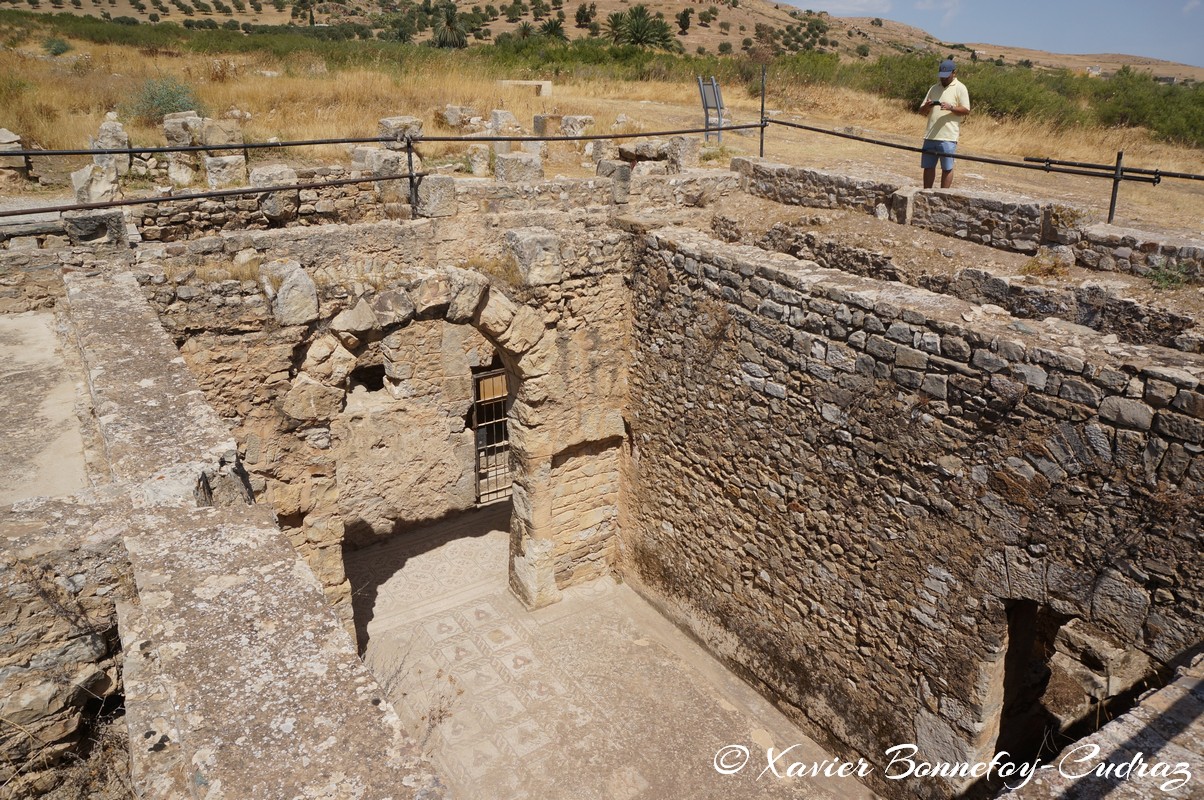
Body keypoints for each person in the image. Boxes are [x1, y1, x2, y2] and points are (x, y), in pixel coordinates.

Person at [919, 59, 971, 189]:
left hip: (948, 137)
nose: (943, 79)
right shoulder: (933, 88)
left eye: (946, 76)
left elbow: (966, 110)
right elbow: (921, 111)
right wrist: (927, 106)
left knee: (947, 168)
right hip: (930, 135)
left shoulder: (960, 88)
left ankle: (943, 195)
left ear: (954, 73)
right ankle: (926, 193)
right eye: (941, 76)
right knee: (928, 166)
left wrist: (951, 107)